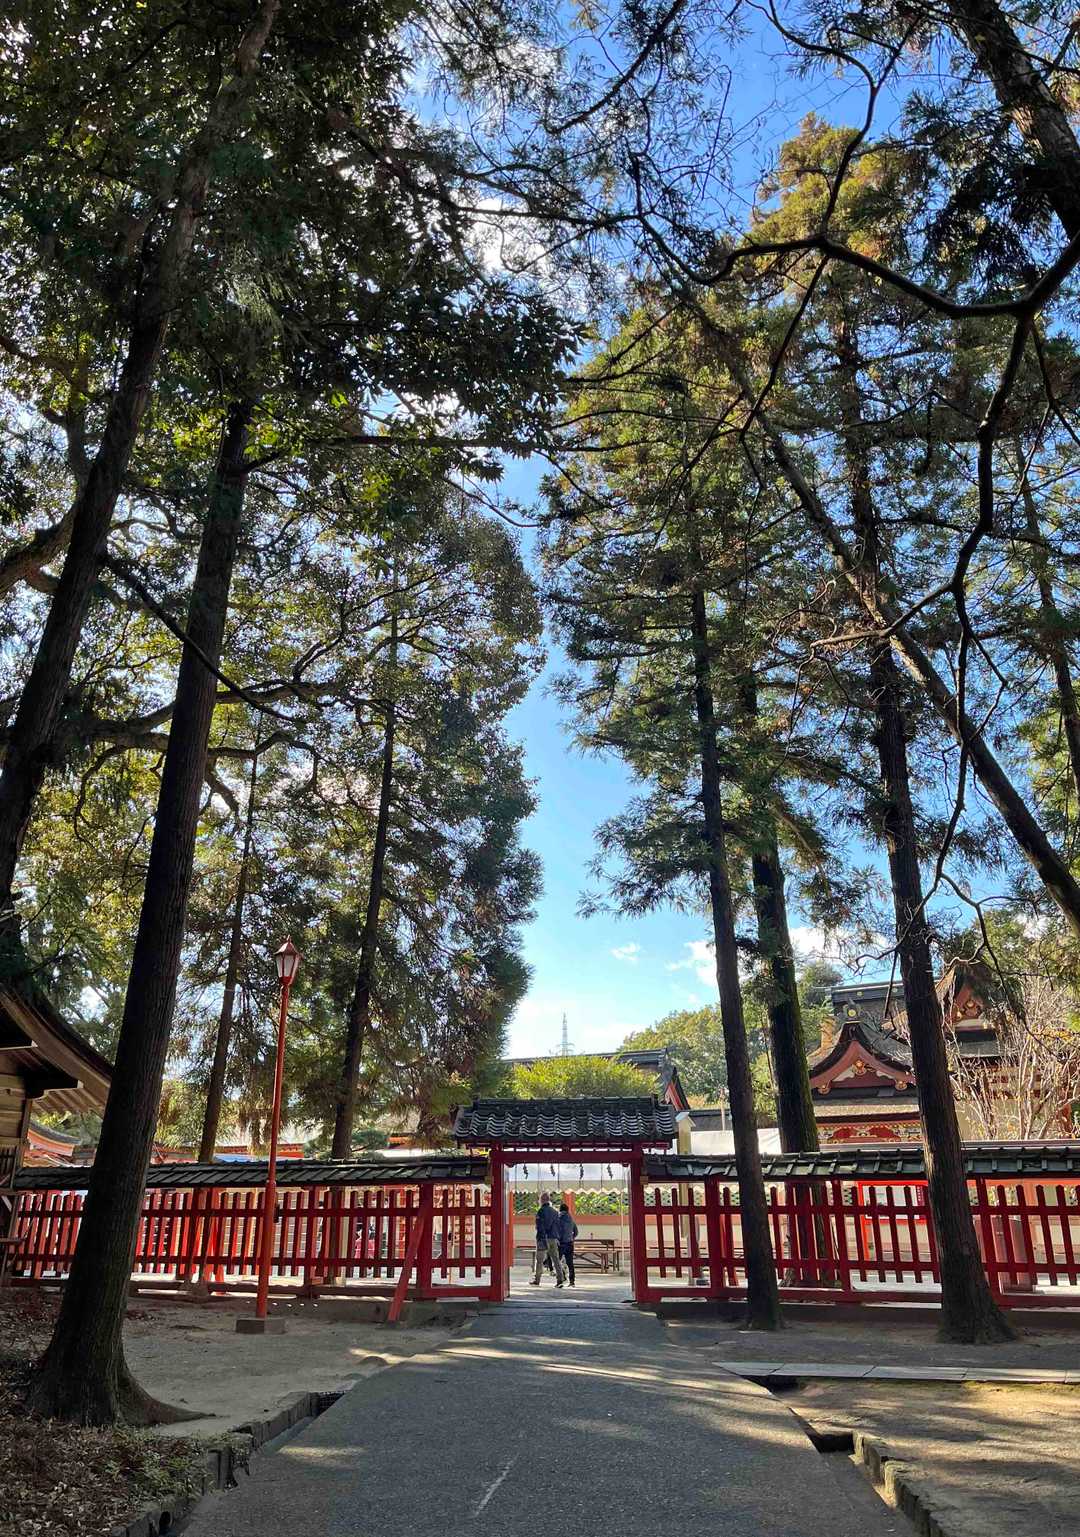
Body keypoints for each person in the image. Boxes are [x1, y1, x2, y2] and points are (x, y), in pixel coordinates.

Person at [530, 1192, 564, 1287]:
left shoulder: (541, 1211)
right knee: (556, 1259)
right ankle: (560, 1278)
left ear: (542, 1200)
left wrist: (540, 1237)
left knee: (540, 1260)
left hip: (543, 1238)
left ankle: (537, 1279)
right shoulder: (555, 1212)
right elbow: (558, 1226)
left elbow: (539, 1226)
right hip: (553, 1238)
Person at [557, 1201, 578, 1288]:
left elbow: (557, 1231)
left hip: (561, 1243)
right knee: (570, 1263)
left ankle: (561, 1279)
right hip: (570, 1243)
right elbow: (576, 1232)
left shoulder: (559, 1218)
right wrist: (571, 1237)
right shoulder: (571, 1220)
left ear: (560, 1210)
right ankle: (572, 1281)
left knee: (557, 1262)